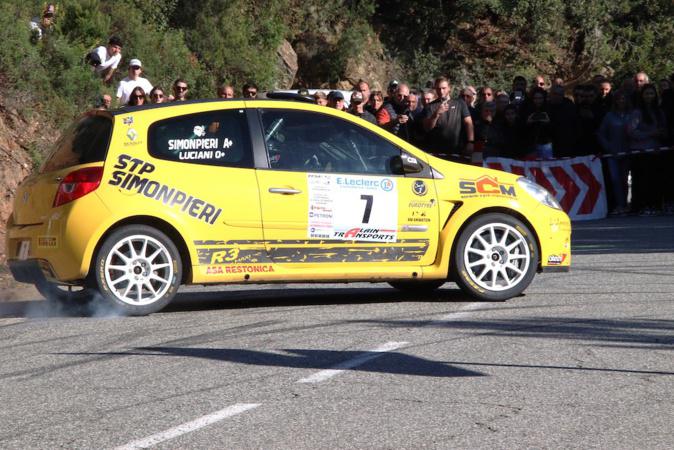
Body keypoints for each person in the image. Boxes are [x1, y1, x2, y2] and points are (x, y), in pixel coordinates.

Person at [627, 83, 667, 215]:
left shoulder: (659, 111)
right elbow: (631, 131)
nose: (649, 96)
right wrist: (650, 134)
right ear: (642, 96)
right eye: (646, 94)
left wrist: (661, 134)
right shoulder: (637, 112)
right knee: (641, 180)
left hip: (656, 151)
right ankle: (640, 206)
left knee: (655, 180)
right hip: (641, 152)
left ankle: (654, 205)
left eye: (651, 93)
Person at [421, 76, 474, 158]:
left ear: (449, 88)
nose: (441, 91)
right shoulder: (429, 107)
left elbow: (469, 123)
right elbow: (427, 128)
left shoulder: (460, 103)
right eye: (438, 88)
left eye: (444, 88)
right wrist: (436, 114)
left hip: (457, 151)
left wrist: (470, 142)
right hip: (436, 152)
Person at [597, 90, 631, 215]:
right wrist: (609, 147)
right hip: (613, 154)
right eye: (618, 99)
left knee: (624, 180)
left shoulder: (631, 115)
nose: (621, 101)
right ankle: (619, 204)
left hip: (627, 152)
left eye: (623, 98)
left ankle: (626, 204)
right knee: (615, 179)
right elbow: (601, 133)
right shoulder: (609, 116)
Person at [523, 87, 553, 159]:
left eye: (540, 98)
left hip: (545, 144)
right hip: (531, 144)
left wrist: (548, 123)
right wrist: (528, 123)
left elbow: (555, 129)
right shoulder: (527, 110)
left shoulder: (549, 109)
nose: (538, 101)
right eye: (535, 98)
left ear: (543, 98)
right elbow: (521, 129)